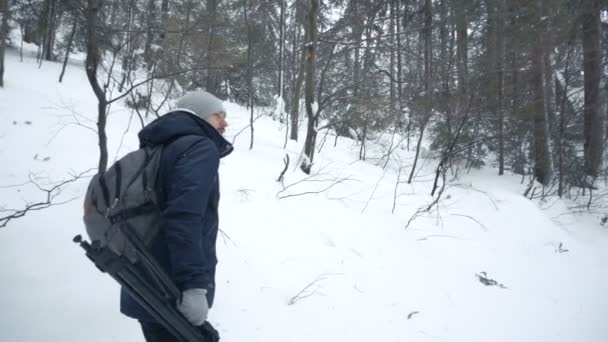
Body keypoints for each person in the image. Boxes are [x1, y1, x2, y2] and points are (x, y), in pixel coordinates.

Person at [120, 90, 232, 342]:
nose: (224, 123)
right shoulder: (199, 147)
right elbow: (184, 217)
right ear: (200, 116)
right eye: (218, 115)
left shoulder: (160, 146)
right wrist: (193, 286)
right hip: (172, 287)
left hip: (143, 277)